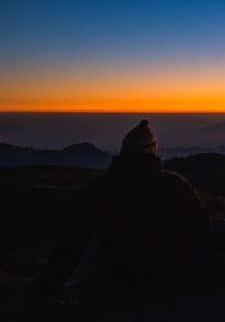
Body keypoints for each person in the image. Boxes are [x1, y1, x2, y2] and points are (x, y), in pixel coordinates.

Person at [34, 119, 210, 306]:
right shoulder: (175, 185)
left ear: (124, 150)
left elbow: (72, 243)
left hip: (113, 283)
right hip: (169, 284)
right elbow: (200, 228)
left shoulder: (100, 189)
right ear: (153, 149)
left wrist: (47, 286)